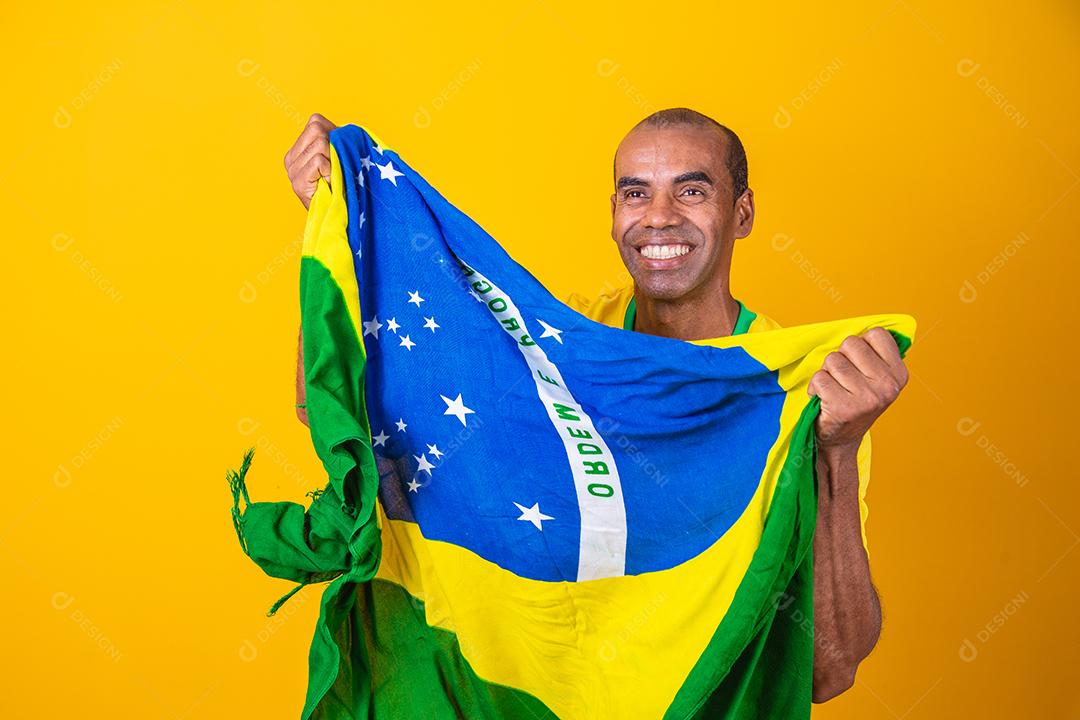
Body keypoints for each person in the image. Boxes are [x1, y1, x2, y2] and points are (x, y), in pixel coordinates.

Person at [283, 109, 909, 704]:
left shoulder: (802, 400)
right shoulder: (554, 351)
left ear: (742, 212)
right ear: (612, 214)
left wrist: (839, 450)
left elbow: (829, 669)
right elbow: (331, 412)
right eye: (636, 193)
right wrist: (342, 224)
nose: (658, 218)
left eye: (691, 191)